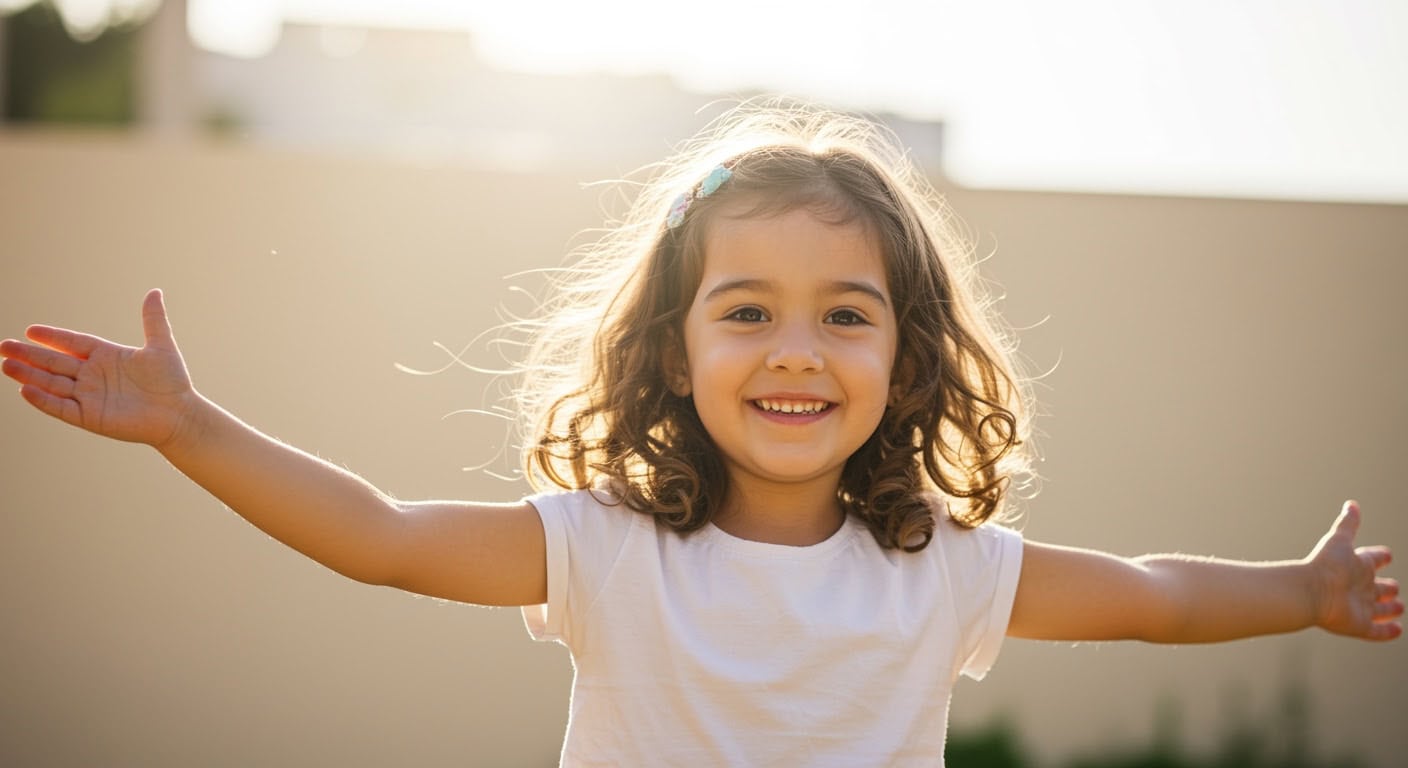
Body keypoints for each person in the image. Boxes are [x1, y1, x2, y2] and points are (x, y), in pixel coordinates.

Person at [1, 103, 1400, 767]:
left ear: (906, 359)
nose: (796, 349)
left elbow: (1151, 598)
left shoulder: (942, 569)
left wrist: (1307, 593)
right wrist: (189, 428)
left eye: (846, 315)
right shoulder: (605, 552)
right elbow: (382, 539)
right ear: (676, 349)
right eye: (747, 310)